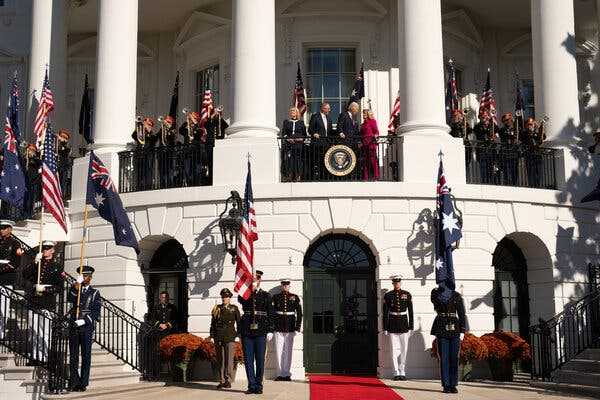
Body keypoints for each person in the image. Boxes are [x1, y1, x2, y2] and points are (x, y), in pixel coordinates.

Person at [22, 241, 63, 363]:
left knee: (44, 331)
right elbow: (25, 275)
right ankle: (35, 356)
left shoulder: (57, 267)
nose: (45, 250)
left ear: (53, 250)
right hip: (34, 300)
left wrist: (46, 289)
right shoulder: (37, 265)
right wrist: (35, 262)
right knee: (33, 330)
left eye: (48, 248)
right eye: (44, 248)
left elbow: (59, 287)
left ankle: (43, 356)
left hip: (47, 301)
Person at [238, 270, 273, 395]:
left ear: (259, 280)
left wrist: (270, 330)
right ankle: (251, 385)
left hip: (261, 331)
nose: (254, 281)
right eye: (252, 279)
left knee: (260, 360)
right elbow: (240, 299)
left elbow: (270, 314)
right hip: (247, 331)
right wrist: (247, 289)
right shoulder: (245, 295)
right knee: (248, 360)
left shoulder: (266, 295)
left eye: (256, 279)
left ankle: (259, 385)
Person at [68, 265, 101, 392]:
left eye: (86, 276)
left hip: (86, 327)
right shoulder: (76, 288)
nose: (84, 278)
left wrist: (85, 320)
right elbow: (70, 298)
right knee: (73, 356)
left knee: (86, 355)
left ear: (90, 278)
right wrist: (75, 287)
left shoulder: (94, 293)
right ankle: (74, 381)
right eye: (82, 276)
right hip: (74, 325)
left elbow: (96, 312)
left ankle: (83, 383)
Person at [430, 287, 468, 394]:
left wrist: (462, 331)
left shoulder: (456, 295)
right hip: (442, 325)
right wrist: (440, 291)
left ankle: (453, 384)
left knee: (454, 357)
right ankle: (446, 385)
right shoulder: (436, 293)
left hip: (454, 327)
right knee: (444, 358)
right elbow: (434, 301)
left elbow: (461, 313)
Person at [383, 275, 413, 381]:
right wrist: (385, 327)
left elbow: (410, 311)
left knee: (404, 349)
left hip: (404, 323)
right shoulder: (388, 295)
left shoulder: (407, 294)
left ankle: (402, 370)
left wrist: (411, 326)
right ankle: (395, 371)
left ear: (400, 283)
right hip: (392, 323)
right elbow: (385, 313)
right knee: (393, 349)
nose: (397, 284)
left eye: (398, 283)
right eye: (395, 283)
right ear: (393, 284)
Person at [209, 288, 241, 389]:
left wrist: (239, 335)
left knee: (229, 359)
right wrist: (212, 335)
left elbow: (239, 323)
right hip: (219, 336)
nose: (224, 299)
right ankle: (221, 380)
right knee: (220, 359)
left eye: (226, 297)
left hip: (230, 336)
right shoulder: (217, 308)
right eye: (223, 297)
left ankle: (228, 380)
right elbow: (213, 323)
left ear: (229, 298)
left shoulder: (234, 308)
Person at [272, 278, 302, 381]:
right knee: (278, 350)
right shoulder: (276, 297)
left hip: (290, 326)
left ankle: (287, 373)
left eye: (287, 285)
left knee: (288, 351)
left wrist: (297, 326)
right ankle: (280, 373)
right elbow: (272, 313)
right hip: (279, 326)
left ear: (289, 286)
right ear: (281, 286)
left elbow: (299, 313)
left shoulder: (294, 297)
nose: (285, 287)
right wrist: (272, 327)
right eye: (283, 285)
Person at [0, 220, 23, 340]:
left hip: (6, 278)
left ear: (10, 229)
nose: (1, 230)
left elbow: (16, 263)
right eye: (1, 228)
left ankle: (1, 333)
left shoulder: (15, 243)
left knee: (3, 307)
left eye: (4, 228)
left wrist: (2, 268)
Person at [308, 103, 333, 180]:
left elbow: (330, 131)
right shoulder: (315, 116)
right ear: (322, 108)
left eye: (329, 108)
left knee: (325, 161)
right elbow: (310, 129)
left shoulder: (329, 118)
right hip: (317, 143)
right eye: (327, 108)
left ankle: (324, 177)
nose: (329, 110)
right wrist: (314, 133)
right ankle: (315, 177)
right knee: (316, 161)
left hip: (326, 144)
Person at [178, 111, 205, 186]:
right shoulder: (186, 126)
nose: (191, 119)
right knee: (187, 170)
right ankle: (189, 183)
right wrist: (186, 122)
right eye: (191, 117)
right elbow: (180, 130)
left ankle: (197, 184)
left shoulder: (199, 127)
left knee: (196, 170)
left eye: (194, 117)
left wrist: (194, 121)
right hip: (187, 151)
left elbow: (199, 134)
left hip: (196, 152)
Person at [281, 107, 307, 182]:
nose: (292, 112)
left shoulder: (301, 122)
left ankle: (298, 175)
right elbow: (284, 133)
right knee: (289, 159)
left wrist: (301, 139)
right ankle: (289, 175)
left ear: (297, 113)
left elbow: (304, 134)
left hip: (298, 144)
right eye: (291, 111)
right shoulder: (286, 122)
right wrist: (288, 139)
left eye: (294, 111)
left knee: (298, 160)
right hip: (289, 144)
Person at [131, 117, 158, 190]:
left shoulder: (152, 135)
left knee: (148, 172)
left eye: (149, 124)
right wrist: (140, 126)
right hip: (140, 154)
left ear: (151, 126)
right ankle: (139, 187)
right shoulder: (140, 133)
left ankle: (148, 186)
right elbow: (133, 136)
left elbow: (153, 140)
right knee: (139, 172)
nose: (146, 125)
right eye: (146, 123)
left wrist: (148, 131)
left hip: (148, 156)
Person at [157, 116, 177, 189]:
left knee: (169, 171)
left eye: (168, 122)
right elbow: (157, 136)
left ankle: (169, 185)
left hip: (169, 154)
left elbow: (171, 137)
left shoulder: (173, 130)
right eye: (166, 121)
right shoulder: (161, 130)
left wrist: (168, 129)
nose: (166, 123)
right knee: (161, 171)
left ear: (171, 123)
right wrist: (163, 128)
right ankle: (162, 185)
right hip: (161, 154)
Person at [360, 109, 380, 181]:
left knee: (373, 161)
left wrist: (375, 136)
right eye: (363, 114)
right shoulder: (363, 124)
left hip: (371, 144)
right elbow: (361, 134)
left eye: (364, 114)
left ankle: (376, 176)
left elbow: (376, 131)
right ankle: (365, 177)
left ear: (368, 114)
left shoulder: (372, 121)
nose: (363, 115)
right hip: (364, 145)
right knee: (365, 161)